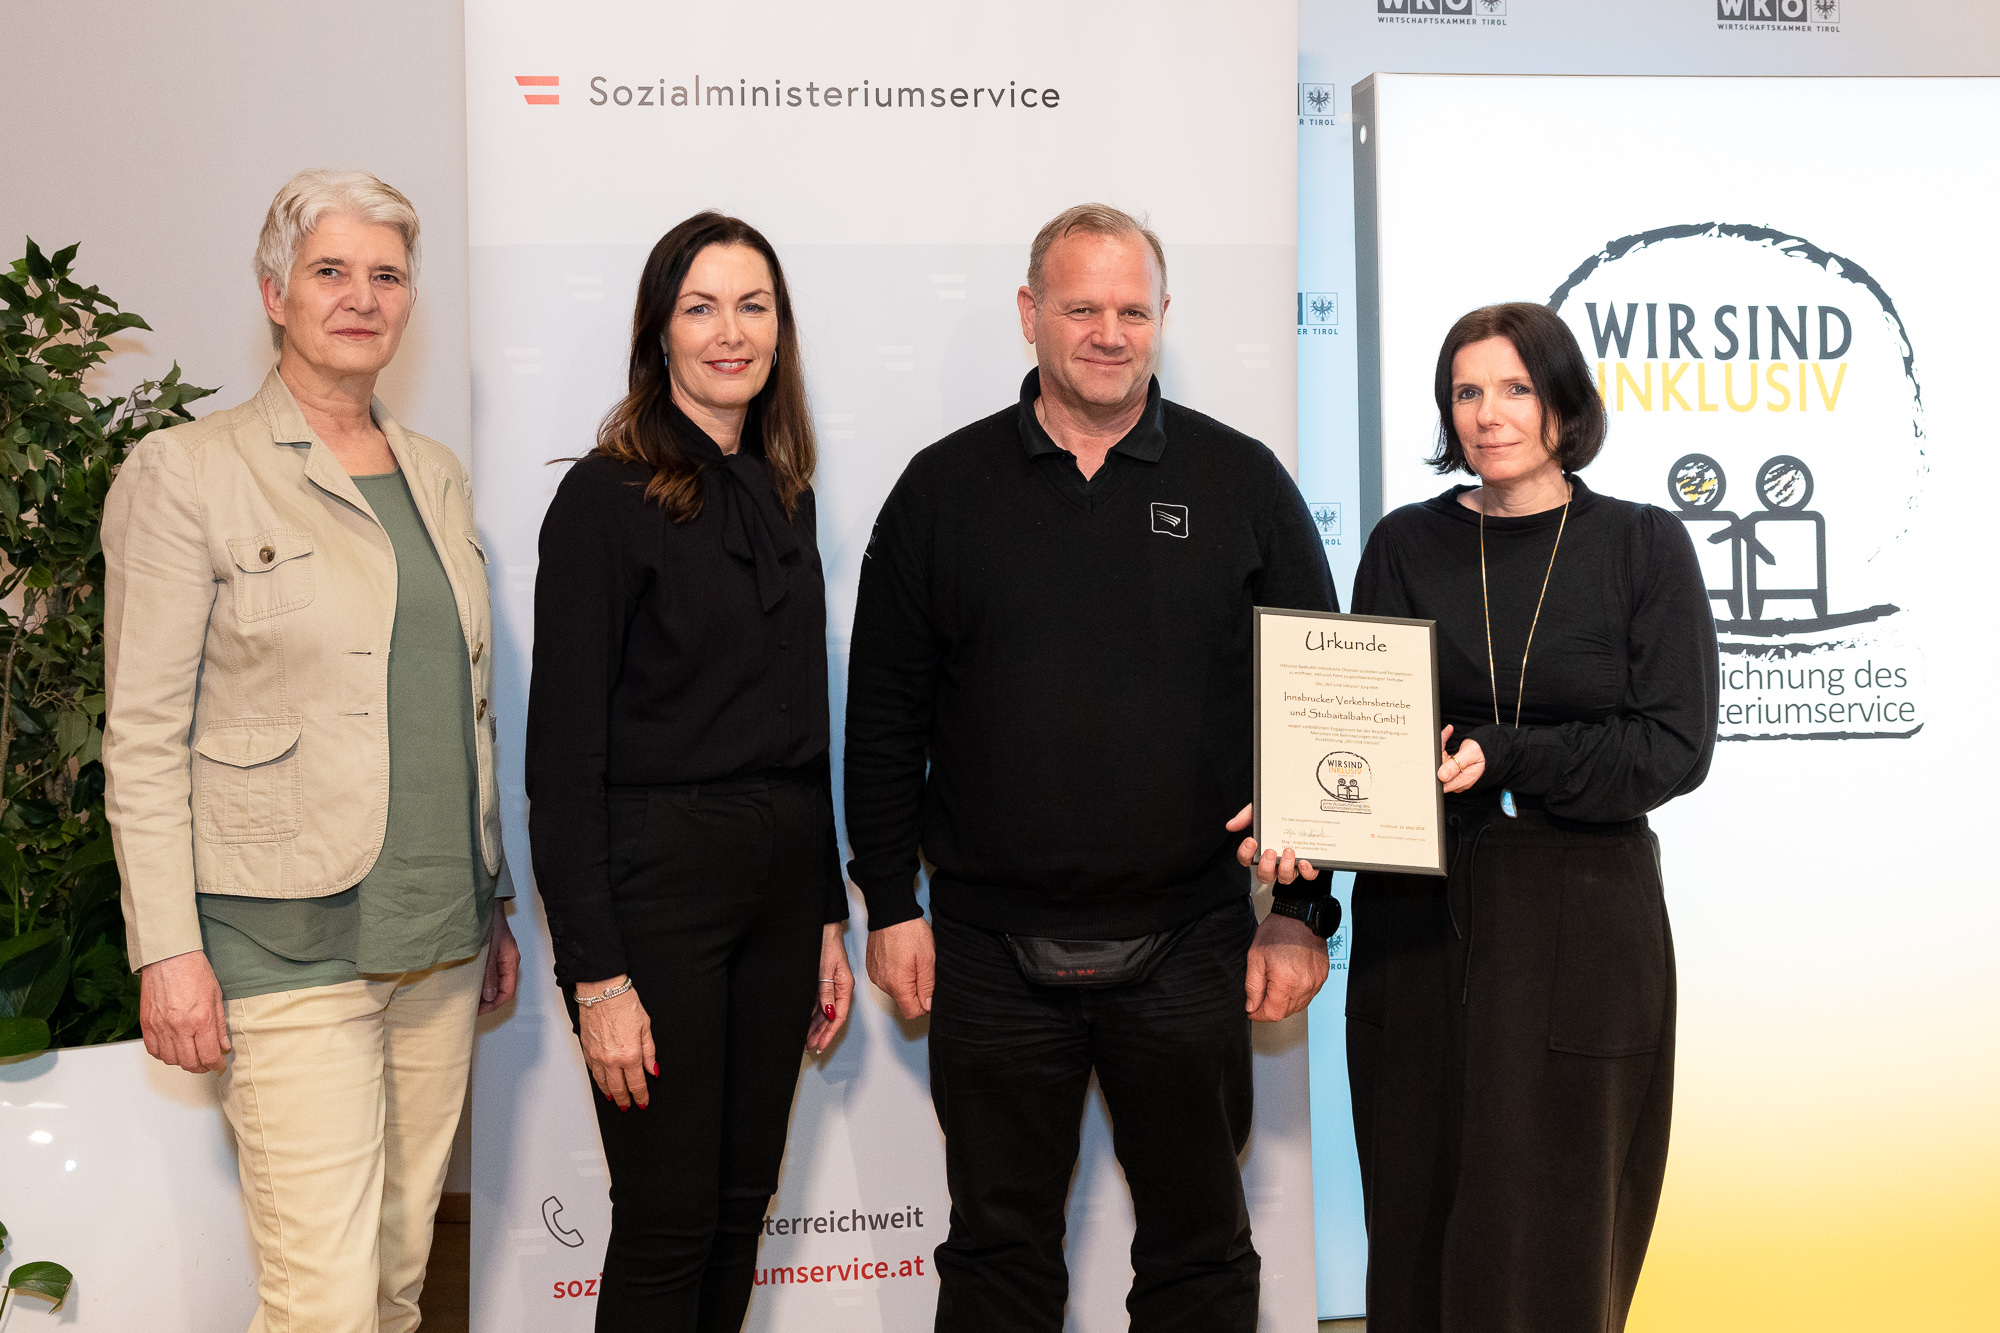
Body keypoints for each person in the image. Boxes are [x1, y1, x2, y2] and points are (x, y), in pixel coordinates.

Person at [844, 203, 1340, 1333]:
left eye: (1131, 309)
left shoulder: (1241, 482)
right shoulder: (939, 489)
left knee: (1199, 1257)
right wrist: (889, 899)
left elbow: (1317, 708)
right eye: (1080, 308)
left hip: (1192, 945)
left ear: (1162, 318)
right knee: (996, 1256)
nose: (1107, 332)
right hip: (980, 949)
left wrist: (1302, 911)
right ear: (1030, 316)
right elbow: (880, 716)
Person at [101, 168, 520, 1333]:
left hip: (436, 941)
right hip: (280, 942)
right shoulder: (187, 472)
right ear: (275, 290)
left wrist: (494, 899)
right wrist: (168, 951)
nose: (360, 296)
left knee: (394, 1282)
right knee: (322, 1302)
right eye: (331, 270)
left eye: (386, 275)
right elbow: (141, 737)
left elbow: (460, 705)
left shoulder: (434, 474)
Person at [1345, 302, 1718, 1332]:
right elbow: (1356, 725)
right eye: (1465, 391)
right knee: (1416, 1229)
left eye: (1513, 388)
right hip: (1417, 920)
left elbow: (1671, 747)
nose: (1486, 413)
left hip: (1584, 924)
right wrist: (1301, 819)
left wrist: (1508, 756)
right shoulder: (1404, 544)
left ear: (1562, 403)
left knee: (1555, 1234)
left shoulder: (1642, 546)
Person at [526, 211, 854, 1331]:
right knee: (667, 1223)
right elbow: (560, 762)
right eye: (701, 307)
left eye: (752, 306)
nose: (730, 332)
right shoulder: (603, 500)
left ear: (780, 331)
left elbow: (799, 728)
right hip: (654, 892)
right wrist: (596, 975)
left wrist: (822, 916)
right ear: (658, 332)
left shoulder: (784, 492)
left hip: (776, 888)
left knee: (735, 1209)